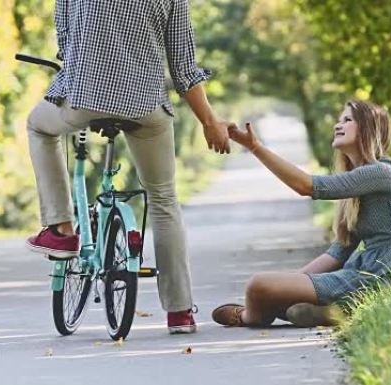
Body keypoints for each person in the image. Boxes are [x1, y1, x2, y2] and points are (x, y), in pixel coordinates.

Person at [26, 0, 235, 334]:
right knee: (164, 199)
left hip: (85, 100)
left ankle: (62, 230)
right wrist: (209, 121)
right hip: (146, 105)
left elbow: (66, 43)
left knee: (38, 127)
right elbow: (184, 68)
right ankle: (180, 312)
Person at [212, 99, 391, 327]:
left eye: (348, 120)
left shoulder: (382, 172)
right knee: (279, 297)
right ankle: (339, 310)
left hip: (386, 274)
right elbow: (336, 255)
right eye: (339, 120)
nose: (337, 125)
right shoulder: (358, 183)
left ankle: (246, 317)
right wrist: (289, 284)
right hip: (368, 272)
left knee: (257, 286)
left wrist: (255, 147)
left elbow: (307, 186)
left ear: (368, 128)